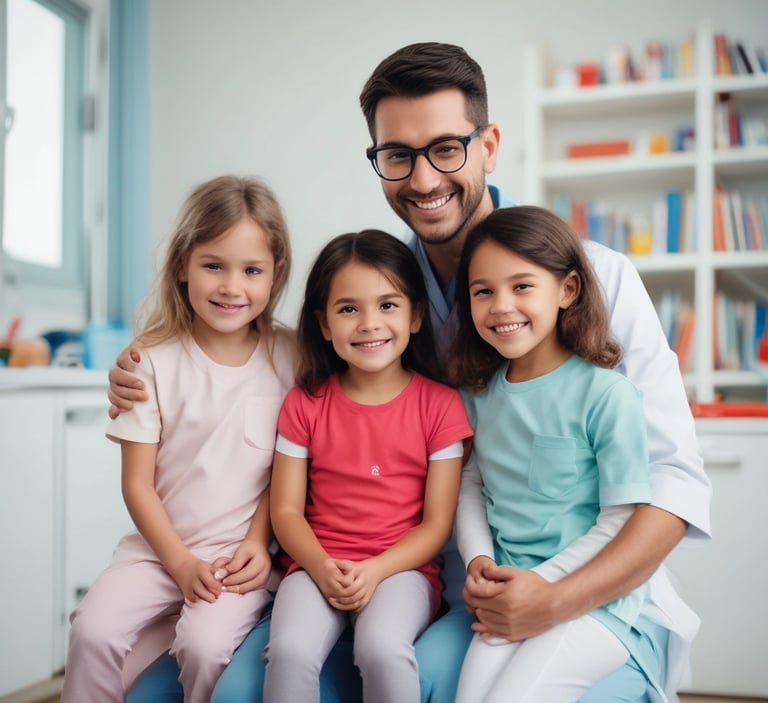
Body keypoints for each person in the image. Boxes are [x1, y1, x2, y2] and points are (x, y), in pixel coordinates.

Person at [112, 42, 710, 703]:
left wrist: (556, 598)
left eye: (447, 148)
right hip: (403, 586)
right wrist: (158, 362)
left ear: (489, 145)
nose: (424, 179)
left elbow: (670, 483)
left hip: (584, 595)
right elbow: (283, 375)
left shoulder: (593, 278)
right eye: (398, 155)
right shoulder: (380, 293)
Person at [61, 175, 296, 703]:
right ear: (181, 267)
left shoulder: (293, 357)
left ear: (274, 274)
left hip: (238, 557)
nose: (232, 287)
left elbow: (287, 474)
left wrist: (258, 542)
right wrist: (179, 563)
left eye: (251, 270)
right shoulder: (150, 362)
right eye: (214, 266)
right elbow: (137, 487)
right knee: (92, 631)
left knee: (207, 646)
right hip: (156, 549)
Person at [449, 205, 698, 702]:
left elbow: (620, 520)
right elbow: (470, 481)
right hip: (508, 594)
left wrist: (541, 588)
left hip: (595, 606)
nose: (501, 305)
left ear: (566, 290)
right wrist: (478, 557)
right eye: (484, 292)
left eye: (522, 286)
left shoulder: (607, 395)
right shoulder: (479, 395)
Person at [263, 229, 472, 702]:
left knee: (382, 648)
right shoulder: (304, 404)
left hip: (402, 571)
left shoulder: (441, 407)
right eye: (348, 308)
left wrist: (375, 571)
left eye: (388, 305)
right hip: (314, 565)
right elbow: (287, 512)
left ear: (417, 315)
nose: (368, 323)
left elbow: (437, 524)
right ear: (323, 323)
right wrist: (319, 566)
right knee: (291, 650)